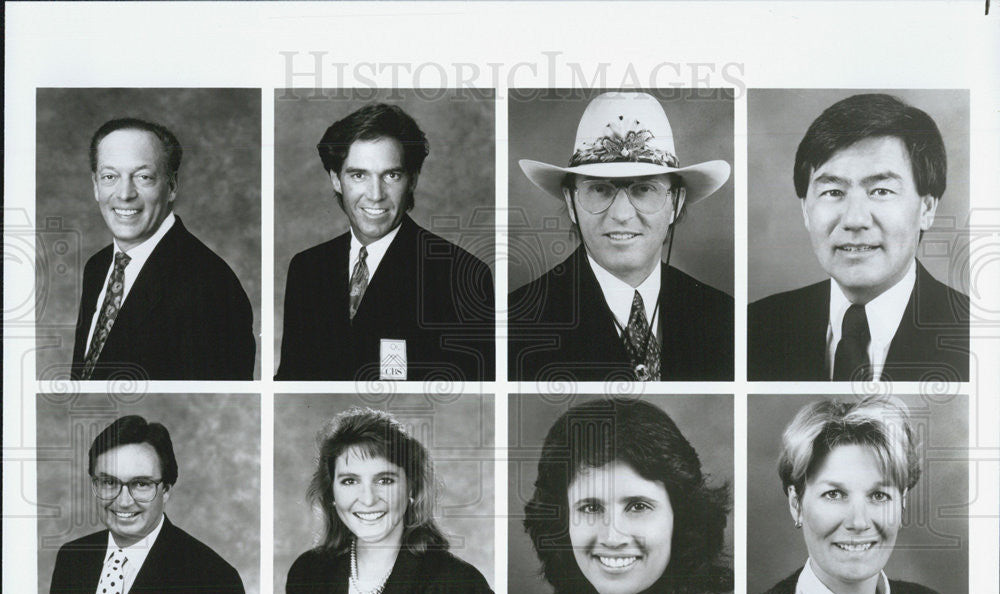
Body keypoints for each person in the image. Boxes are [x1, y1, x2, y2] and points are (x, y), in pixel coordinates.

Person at [509, 92, 733, 382]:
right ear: (570, 202)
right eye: (601, 189)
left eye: (644, 189)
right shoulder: (516, 323)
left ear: (676, 202)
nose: (622, 214)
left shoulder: (724, 316)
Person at [747, 397, 968, 594]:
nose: (859, 522)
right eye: (834, 494)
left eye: (879, 496)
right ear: (796, 504)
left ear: (902, 504)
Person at [748, 93, 970, 382]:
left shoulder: (976, 335)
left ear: (926, 208)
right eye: (833, 192)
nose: (854, 220)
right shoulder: (756, 326)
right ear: (805, 209)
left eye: (881, 191)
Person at [275, 103, 495, 381]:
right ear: (336, 180)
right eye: (359, 175)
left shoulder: (461, 275)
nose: (375, 194)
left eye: (391, 175)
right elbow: (291, 380)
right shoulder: (307, 269)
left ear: (412, 180)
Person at [522, 398, 733, 594]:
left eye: (637, 506)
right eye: (591, 507)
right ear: (562, 521)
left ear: (680, 518)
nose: (612, 537)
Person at [38, 415, 258, 594]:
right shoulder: (73, 559)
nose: (123, 500)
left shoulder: (213, 580)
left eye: (141, 484)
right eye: (108, 482)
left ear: (166, 490)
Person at [285, 408, 494, 594]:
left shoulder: (459, 587)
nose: (368, 499)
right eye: (350, 481)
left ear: (411, 489)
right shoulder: (308, 575)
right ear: (331, 494)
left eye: (384, 480)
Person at [70, 118, 255, 380]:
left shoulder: (211, 286)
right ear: (95, 185)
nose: (124, 193)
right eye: (110, 176)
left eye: (143, 177)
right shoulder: (98, 267)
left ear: (172, 186)